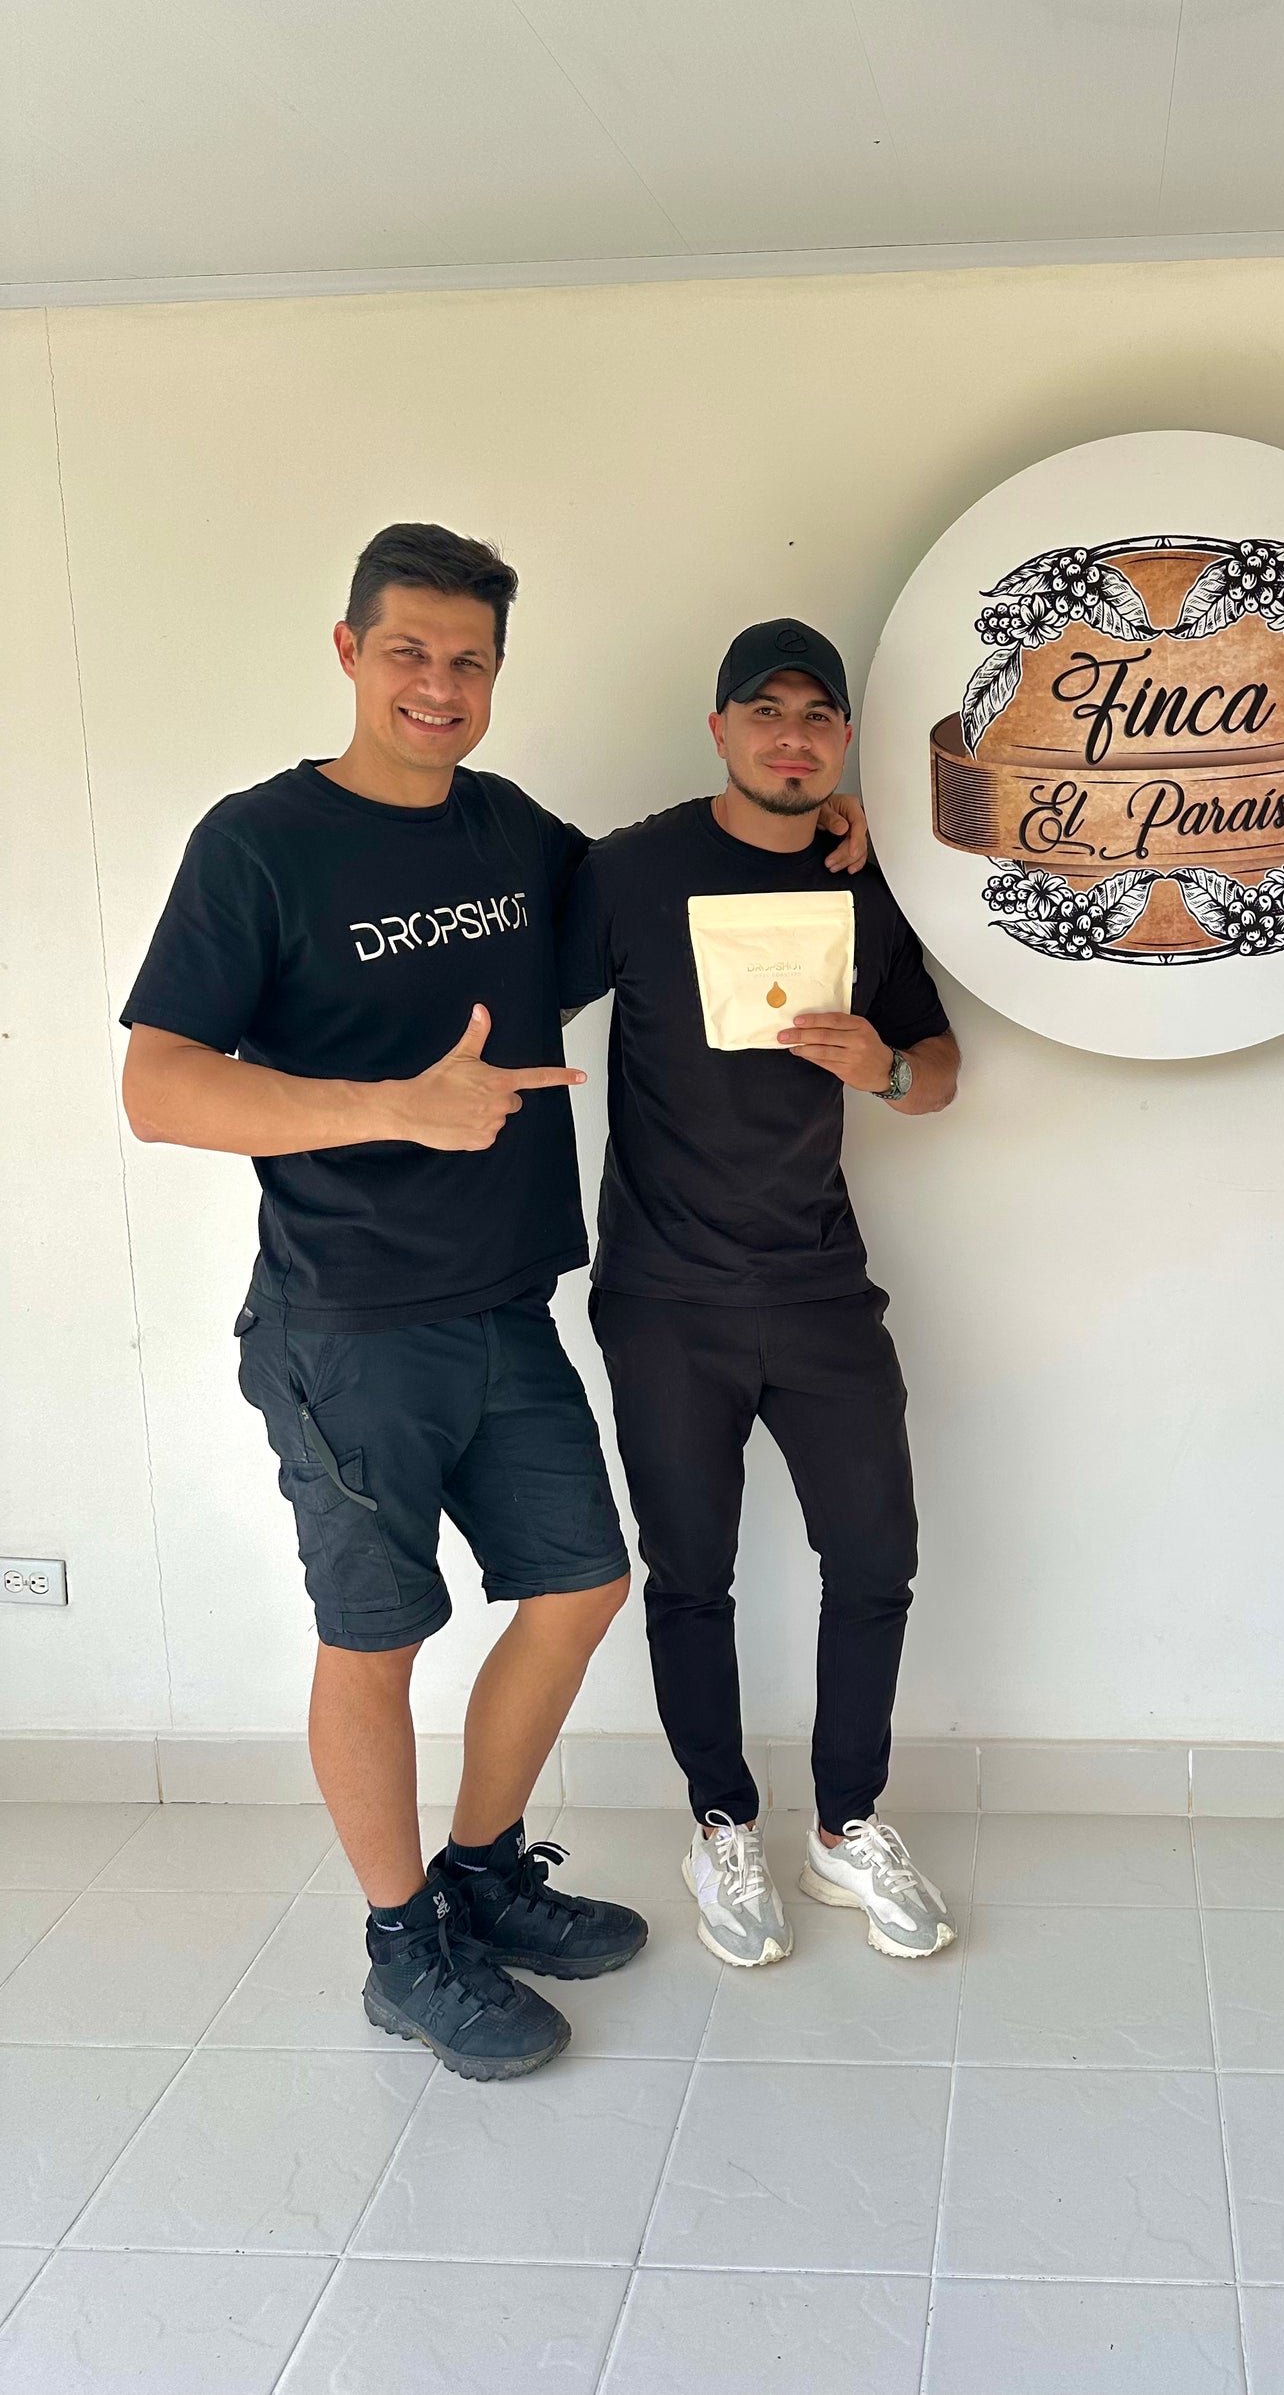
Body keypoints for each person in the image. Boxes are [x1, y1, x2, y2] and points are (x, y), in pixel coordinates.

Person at [119, 526, 869, 2078]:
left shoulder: (512, 832)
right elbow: (159, 1088)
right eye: (408, 651)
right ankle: (403, 1948)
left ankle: (477, 1874)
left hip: (507, 1305)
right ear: (349, 651)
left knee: (581, 1584)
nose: (439, 685)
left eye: (468, 660)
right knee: (376, 1637)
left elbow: (659, 890)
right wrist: (391, 1107)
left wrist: (803, 821)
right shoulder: (259, 843)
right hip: (345, 1323)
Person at [559, 618, 961, 1970]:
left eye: (816, 717)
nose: (791, 739)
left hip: (819, 1286)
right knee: (692, 1575)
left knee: (876, 1559)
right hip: (664, 1295)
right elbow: (521, 997)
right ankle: (721, 1824)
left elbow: (938, 1070)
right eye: (765, 713)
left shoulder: (864, 881)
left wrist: (880, 1069)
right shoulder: (628, 873)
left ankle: (846, 1828)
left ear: (842, 739)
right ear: (720, 728)